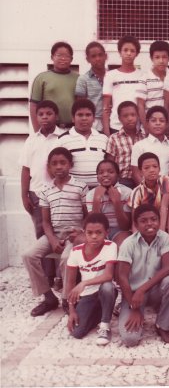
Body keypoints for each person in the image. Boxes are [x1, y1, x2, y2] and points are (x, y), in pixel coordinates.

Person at [22, 147, 88, 316]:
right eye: (54, 164)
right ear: (49, 167)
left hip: (75, 235)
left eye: (63, 163)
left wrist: (81, 233)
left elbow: (88, 216)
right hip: (54, 234)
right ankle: (49, 297)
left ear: (70, 165)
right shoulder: (45, 190)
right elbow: (45, 221)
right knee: (29, 255)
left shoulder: (80, 187)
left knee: (67, 258)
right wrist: (51, 239)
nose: (59, 167)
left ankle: (67, 298)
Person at [117, 204, 169, 345]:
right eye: (144, 221)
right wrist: (134, 308)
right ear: (135, 224)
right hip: (133, 295)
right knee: (130, 339)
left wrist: (143, 289)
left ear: (159, 221)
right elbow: (122, 277)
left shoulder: (163, 237)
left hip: (154, 290)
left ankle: (163, 324)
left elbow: (168, 268)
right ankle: (129, 310)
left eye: (154, 219)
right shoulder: (128, 244)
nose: (149, 224)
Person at [65, 213, 117, 345]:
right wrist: (71, 311)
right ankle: (103, 312)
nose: (94, 236)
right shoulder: (76, 251)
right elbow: (70, 282)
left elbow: (108, 275)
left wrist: (84, 282)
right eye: (90, 232)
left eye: (99, 232)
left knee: (107, 286)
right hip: (87, 295)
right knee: (77, 332)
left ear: (107, 232)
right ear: (84, 233)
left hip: (104, 291)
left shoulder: (110, 246)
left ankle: (105, 325)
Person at [19, 100, 63, 240]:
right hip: (36, 193)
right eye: (41, 114)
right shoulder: (31, 140)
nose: (44, 117)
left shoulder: (63, 138)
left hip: (58, 192)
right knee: (41, 230)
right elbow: (26, 169)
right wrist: (24, 195)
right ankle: (44, 263)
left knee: (59, 231)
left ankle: (61, 262)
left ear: (56, 116)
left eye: (49, 113)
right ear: (36, 117)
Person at [57, 99, 108, 189]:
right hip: (73, 191)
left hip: (99, 190)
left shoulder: (104, 138)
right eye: (80, 115)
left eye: (88, 115)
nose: (84, 118)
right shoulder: (62, 140)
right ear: (73, 118)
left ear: (94, 118)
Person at [30, 41, 78, 132]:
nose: (63, 58)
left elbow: (80, 104)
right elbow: (33, 106)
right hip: (49, 129)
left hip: (72, 129)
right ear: (52, 57)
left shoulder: (78, 78)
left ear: (71, 59)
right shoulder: (41, 78)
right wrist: (38, 131)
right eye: (59, 55)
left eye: (67, 56)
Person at [102, 35, 144, 136]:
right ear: (120, 52)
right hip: (115, 126)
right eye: (125, 50)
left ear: (137, 54)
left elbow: (142, 105)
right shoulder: (110, 75)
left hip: (136, 127)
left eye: (132, 51)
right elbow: (106, 107)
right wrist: (107, 131)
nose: (128, 53)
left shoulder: (142, 75)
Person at [85, 160, 132, 246]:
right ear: (97, 177)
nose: (105, 175)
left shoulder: (127, 192)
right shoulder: (91, 194)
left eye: (110, 172)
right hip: (98, 230)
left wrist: (117, 202)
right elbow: (94, 224)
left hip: (120, 231)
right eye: (101, 172)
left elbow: (125, 226)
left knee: (124, 243)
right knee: (82, 240)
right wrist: (97, 199)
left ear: (118, 176)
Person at [129, 152, 169, 232]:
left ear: (159, 169)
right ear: (141, 172)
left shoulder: (165, 180)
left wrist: (161, 233)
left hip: (162, 225)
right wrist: (136, 238)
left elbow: (164, 207)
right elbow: (135, 220)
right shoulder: (137, 192)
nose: (152, 170)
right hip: (146, 227)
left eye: (155, 166)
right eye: (146, 168)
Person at [105, 101, 145, 189]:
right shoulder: (114, 138)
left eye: (133, 115)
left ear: (138, 116)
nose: (130, 118)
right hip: (122, 181)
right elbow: (110, 164)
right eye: (125, 116)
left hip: (142, 180)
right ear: (119, 118)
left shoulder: (144, 137)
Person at [131, 106, 169, 184]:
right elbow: (136, 173)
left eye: (161, 120)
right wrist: (148, 191)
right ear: (147, 123)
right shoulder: (139, 146)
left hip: (168, 189)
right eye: (153, 120)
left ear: (167, 124)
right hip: (146, 190)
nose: (158, 123)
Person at [136, 40, 169, 131]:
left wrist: (168, 126)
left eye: (164, 57)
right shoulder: (144, 78)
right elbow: (140, 105)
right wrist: (146, 127)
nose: (161, 61)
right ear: (151, 58)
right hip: (150, 126)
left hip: (167, 126)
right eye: (157, 57)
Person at [75, 41, 108, 132]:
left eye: (100, 55)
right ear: (87, 59)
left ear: (105, 56)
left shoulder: (113, 76)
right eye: (93, 56)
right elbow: (80, 105)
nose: (97, 59)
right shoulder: (83, 79)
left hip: (112, 120)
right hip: (93, 122)